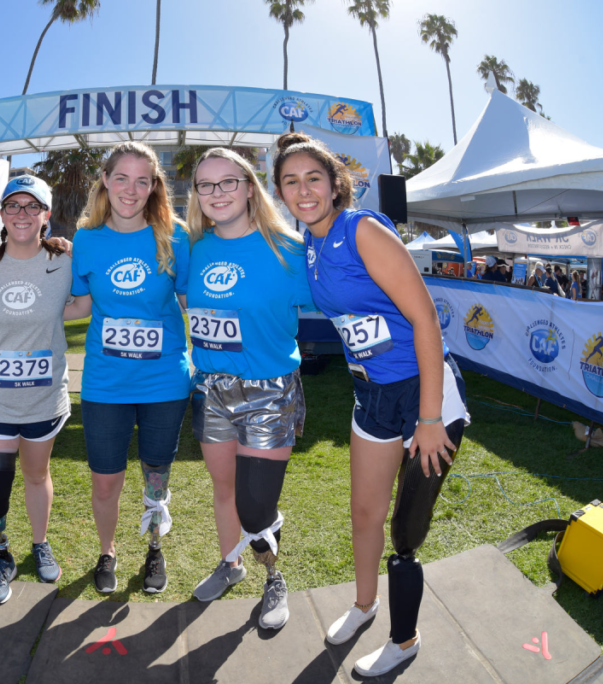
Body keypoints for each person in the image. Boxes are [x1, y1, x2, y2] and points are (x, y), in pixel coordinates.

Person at [273, 132, 468, 677]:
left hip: (424, 395)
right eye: (291, 181)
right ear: (282, 194)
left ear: (336, 184)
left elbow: (426, 319)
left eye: (314, 178)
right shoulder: (310, 243)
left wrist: (429, 418)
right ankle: (364, 606)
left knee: (405, 533)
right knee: (365, 513)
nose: (303, 189)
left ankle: (403, 640)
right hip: (370, 395)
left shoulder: (363, 229)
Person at [185, 148, 315, 630]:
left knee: (255, 504)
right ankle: (231, 564)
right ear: (196, 194)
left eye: (228, 182)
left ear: (248, 186)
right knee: (224, 490)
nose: (217, 193)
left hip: (269, 391)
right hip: (211, 391)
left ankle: (273, 576)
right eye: (205, 185)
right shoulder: (194, 249)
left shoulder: (288, 249)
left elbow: (342, 296)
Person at [70, 141, 191, 595]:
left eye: (143, 180)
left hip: (164, 382)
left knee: (156, 478)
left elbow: (189, 303)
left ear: (154, 185)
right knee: (106, 482)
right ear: (105, 179)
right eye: (121, 177)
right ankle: (108, 552)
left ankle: (154, 547)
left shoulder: (175, 235)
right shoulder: (87, 238)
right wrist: (19, 309)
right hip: (105, 384)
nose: (131, 188)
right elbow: (81, 303)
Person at [0, 175, 79, 604]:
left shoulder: (65, 261)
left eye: (33, 206)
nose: (22, 214)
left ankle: (39, 543)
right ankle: (1, 552)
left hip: (43, 398)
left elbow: (83, 301)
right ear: (2, 214)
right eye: (13, 206)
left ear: (47, 215)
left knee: (35, 474)